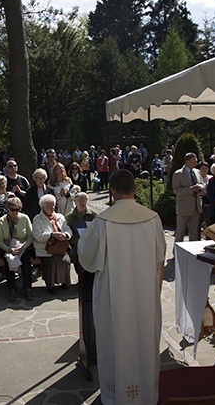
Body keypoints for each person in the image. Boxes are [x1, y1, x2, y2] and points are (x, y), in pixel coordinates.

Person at [77, 169, 166, 405]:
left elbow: (86, 257)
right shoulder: (153, 218)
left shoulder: (103, 221)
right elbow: (160, 257)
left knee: (114, 341)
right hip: (144, 296)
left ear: (112, 191)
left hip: (112, 297)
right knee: (144, 340)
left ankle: (115, 395)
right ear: (135, 189)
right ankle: (146, 394)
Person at [0, 196, 34, 302]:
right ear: (7, 209)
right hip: (9, 247)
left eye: (17, 209)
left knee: (26, 262)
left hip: (23, 247)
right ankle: (12, 289)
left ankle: (28, 288)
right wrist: (9, 250)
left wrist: (23, 247)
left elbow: (30, 236)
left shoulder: (25, 218)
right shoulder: (2, 220)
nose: (14, 212)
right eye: (12, 209)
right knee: (8, 261)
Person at [32, 194, 72, 295]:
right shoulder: (37, 219)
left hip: (60, 247)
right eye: (49, 206)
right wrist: (52, 235)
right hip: (45, 248)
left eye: (53, 205)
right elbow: (37, 236)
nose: (52, 208)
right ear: (43, 207)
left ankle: (64, 281)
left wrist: (65, 235)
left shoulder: (60, 217)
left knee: (66, 261)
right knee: (51, 261)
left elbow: (68, 229)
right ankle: (51, 285)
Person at [173, 152, 205, 243]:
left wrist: (200, 188)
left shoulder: (197, 172)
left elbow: (202, 185)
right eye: (194, 161)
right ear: (187, 161)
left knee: (194, 233)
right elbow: (176, 190)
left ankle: (192, 253)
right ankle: (177, 253)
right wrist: (191, 189)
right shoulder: (178, 174)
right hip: (184, 208)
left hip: (196, 207)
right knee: (180, 232)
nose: (196, 163)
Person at [65, 192, 97, 273]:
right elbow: (67, 229)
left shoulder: (93, 215)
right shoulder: (70, 216)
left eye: (85, 201)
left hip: (90, 244)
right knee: (79, 269)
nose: (83, 203)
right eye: (80, 201)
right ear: (75, 202)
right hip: (76, 245)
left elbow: (98, 229)